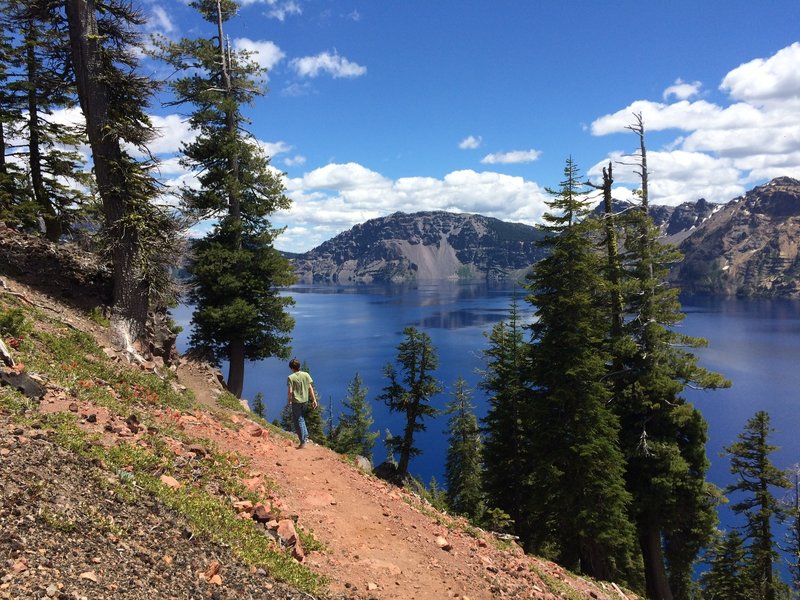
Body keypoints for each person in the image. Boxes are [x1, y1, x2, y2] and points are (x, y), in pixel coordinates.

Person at [287, 358, 317, 448]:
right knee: (301, 418)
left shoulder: (290, 378)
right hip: (305, 400)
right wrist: (314, 400)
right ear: (299, 366)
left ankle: (303, 442)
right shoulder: (306, 375)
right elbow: (310, 388)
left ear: (292, 368)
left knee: (298, 420)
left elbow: (290, 391)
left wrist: (289, 400)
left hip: (296, 402)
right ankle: (305, 436)